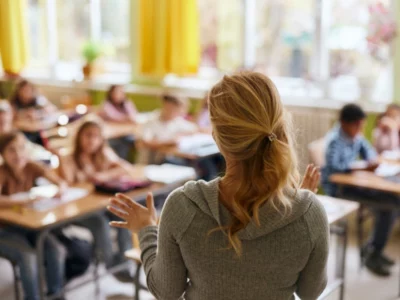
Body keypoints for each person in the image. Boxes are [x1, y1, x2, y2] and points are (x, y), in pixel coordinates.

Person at [108, 72, 329, 300]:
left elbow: (166, 290)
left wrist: (147, 229)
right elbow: (310, 292)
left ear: (216, 137)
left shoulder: (183, 206)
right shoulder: (310, 212)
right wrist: (302, 208)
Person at [322, 104, 396, 276]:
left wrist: (371, 163)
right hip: (340, 189)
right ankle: (372, 253)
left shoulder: (355, 135)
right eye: (357, 125)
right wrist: (361, 168)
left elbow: (369, 153)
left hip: (356, 183)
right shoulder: (335, 140)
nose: (360, 129)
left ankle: (372, 248)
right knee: (390, 207)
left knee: (393, 203)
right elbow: (334, 168)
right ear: (344, 123)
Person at [0, 131, 67, 299]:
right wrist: (23, 201)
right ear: (2, 154)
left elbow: (60, 182)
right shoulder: (2, 172)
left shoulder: (31, 165)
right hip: (5, 230)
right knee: (27, 257)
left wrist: (60, 189)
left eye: (22, 148)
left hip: (29, 226)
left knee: (56, 249)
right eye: (11, 150)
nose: (18, 154)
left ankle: (55, 294)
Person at [59, 120, 132, 268]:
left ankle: (125, 260)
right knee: (100, 223)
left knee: (125, 215)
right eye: (88, 135)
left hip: (101, 205)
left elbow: (126, 168)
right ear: (79, 137)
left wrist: (103, 176)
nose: (92, 140)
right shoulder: (68, 158)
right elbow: (67, 185)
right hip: (80, 210)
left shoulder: (104, 154)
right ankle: (110, 264)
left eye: (96, 136)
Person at [137, 95, 198, 164]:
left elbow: (194, 129)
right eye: (174, 109)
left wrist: (180, 135)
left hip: (169, 160)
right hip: (150, 162)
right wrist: (169, 142)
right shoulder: (150, 121)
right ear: (166, 106)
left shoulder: (176, 120)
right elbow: (142, 143)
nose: (181, 113)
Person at [9, 80, 57, 145]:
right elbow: (11, 116)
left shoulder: (38, 99)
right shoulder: (14, 102)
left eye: (28, 90)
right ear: (18, 91)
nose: (26, 93)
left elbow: (52, 108)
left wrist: (37, 114)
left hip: (38, 129)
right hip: (22, 130)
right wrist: (24, 114)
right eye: (23, 90)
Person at [99, 85, 137, 160]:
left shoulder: (126, 103)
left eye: (121, 93)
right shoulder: (107, 105)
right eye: (116, 92)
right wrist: (126, 119)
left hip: (126, 133)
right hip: (112, 135)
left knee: (131, 141)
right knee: (120, 144)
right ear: (110, 94)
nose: (118, 95)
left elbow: (133, 117)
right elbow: (113, 118)